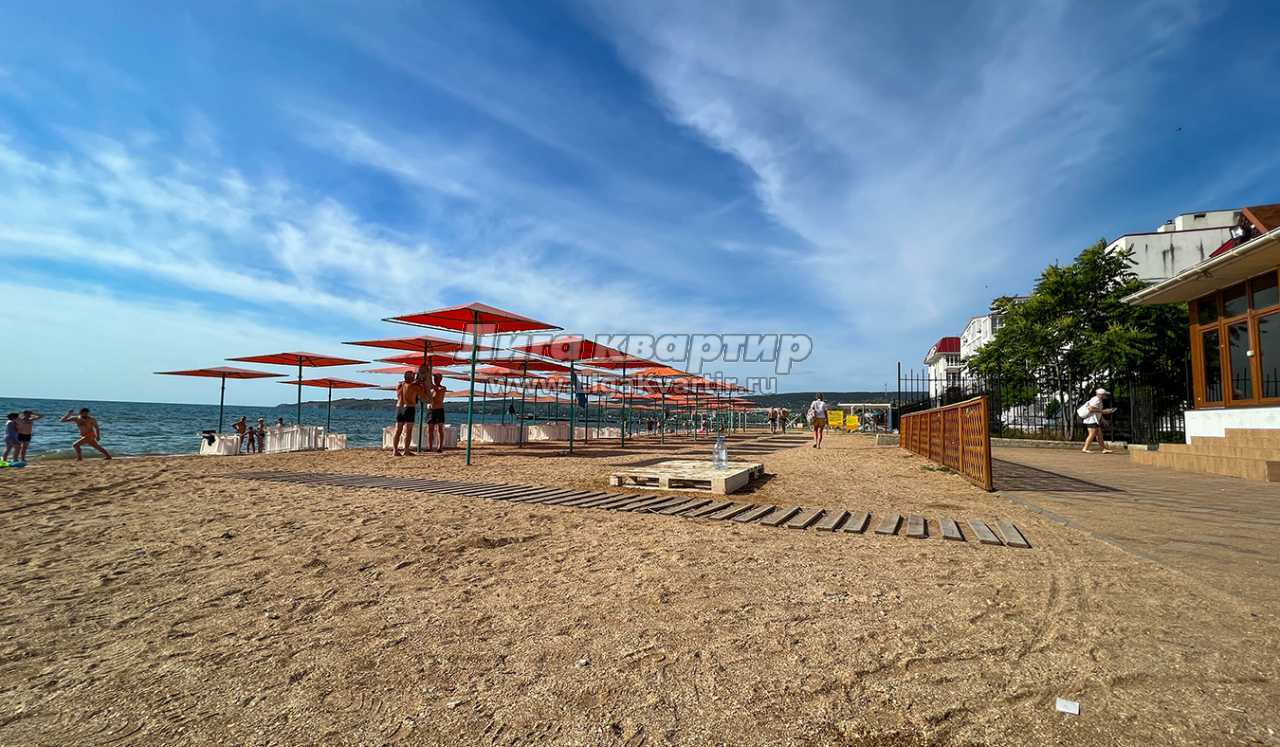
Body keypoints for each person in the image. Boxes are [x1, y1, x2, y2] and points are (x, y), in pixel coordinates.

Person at [393, 369, 426, 456]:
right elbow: (424, 395)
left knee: (398, 430)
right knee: (408, 431)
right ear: (410, 377)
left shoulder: (399, 385)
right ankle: (406, 450)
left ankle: (395, 450)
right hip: (409, 407)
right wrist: (422, 385)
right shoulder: (414, 386)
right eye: (413, 376)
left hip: (399, 408)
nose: (414, 377)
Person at [1080, 387, 1114, 454]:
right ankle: (1085, 448)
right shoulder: (1096, 400)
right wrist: (1104, 411)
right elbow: (1090, 409)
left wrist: (1103, 419)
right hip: (1091, 420)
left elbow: (1097, 412)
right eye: (1104, 394)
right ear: (1100, 395)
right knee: (1092, 434)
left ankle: (1103, 449)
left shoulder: (1098, 400)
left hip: (1094, 420)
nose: (1106, 395)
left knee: (1099, 435)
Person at [426, 372, 447, 453]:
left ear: (441, 379)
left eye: (437, 378)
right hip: (431, 410)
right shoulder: (431, 389)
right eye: (435, 378)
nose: (436, 380)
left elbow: (437, 391)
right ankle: (430, 447)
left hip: (439, 409)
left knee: (440, 429)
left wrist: (429, 380)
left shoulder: (442, 388)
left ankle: (440, 447)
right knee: (430, 430)